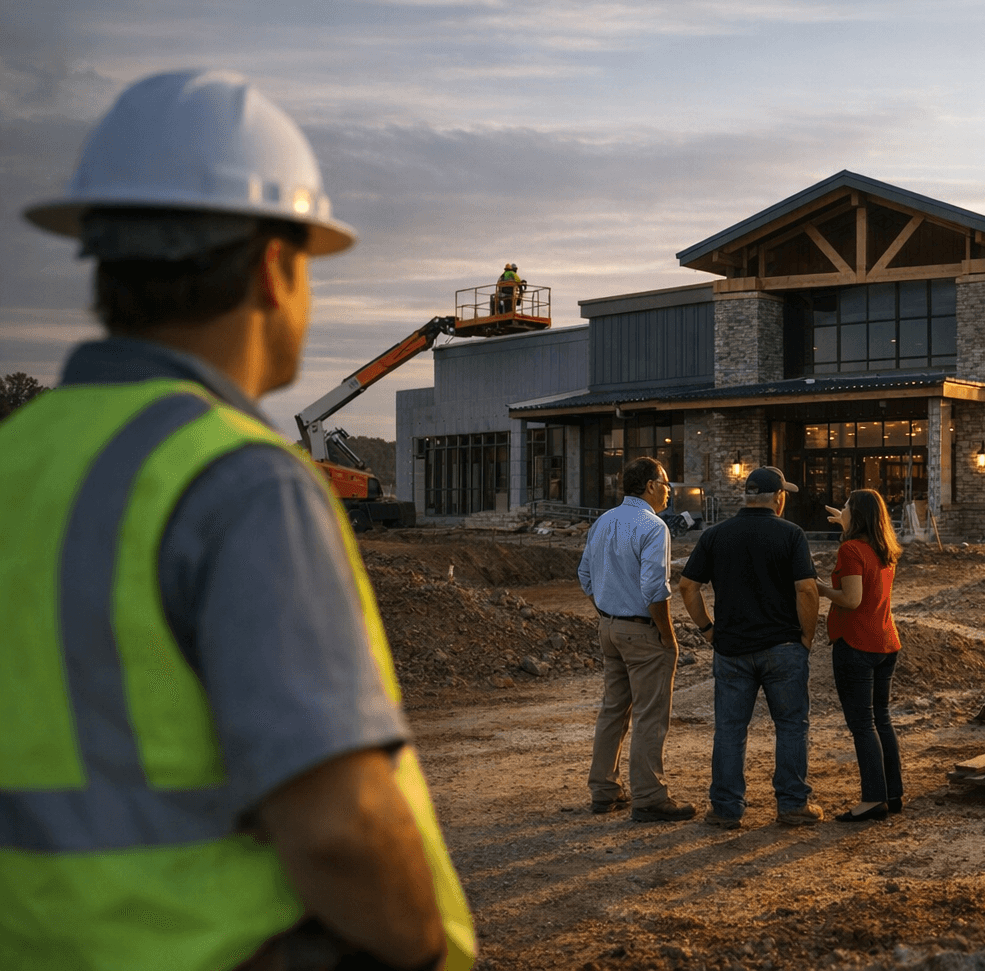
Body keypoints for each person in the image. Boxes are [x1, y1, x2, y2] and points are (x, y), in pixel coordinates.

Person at [1, 70, 473, 970]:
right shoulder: (237, 482)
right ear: (272, 268)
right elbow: (338, 829)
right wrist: (422, 946)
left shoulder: (19, 459)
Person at [678, 467, 822, 829]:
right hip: (783, 647)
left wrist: (708, 630)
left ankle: (726, 808)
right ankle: (792, 805)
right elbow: (806, 589)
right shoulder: (791, 534)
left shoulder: (716, 535)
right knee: (790, 725)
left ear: (747, 495)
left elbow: (687, 587)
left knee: (729, 729)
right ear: (779, 498)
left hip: (732, 650)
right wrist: (806, 638)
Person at [577, 456, 696, 823]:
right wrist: (667, 633)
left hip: (609, 628)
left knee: (614, 710)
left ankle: (604, 789)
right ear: (650, 486)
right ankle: (649, 795)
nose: (668, 491)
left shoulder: (603, 521)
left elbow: (584, 575)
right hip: (642, 631)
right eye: (665, 483)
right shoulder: (653, 526)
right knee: (649, 714)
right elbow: (654, 588)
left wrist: (607, 612)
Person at [818, 489, 905, 822]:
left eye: (846, 507)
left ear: (858, 515)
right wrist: (846, 523)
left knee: (862, 725)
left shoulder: (851, 549)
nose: (842, 510)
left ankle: (873, 799)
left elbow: (851, 599)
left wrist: (818, 587)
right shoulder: (884, 550)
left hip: (856, 644)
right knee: (881, 719)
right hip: (885, 641)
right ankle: (892, 793)